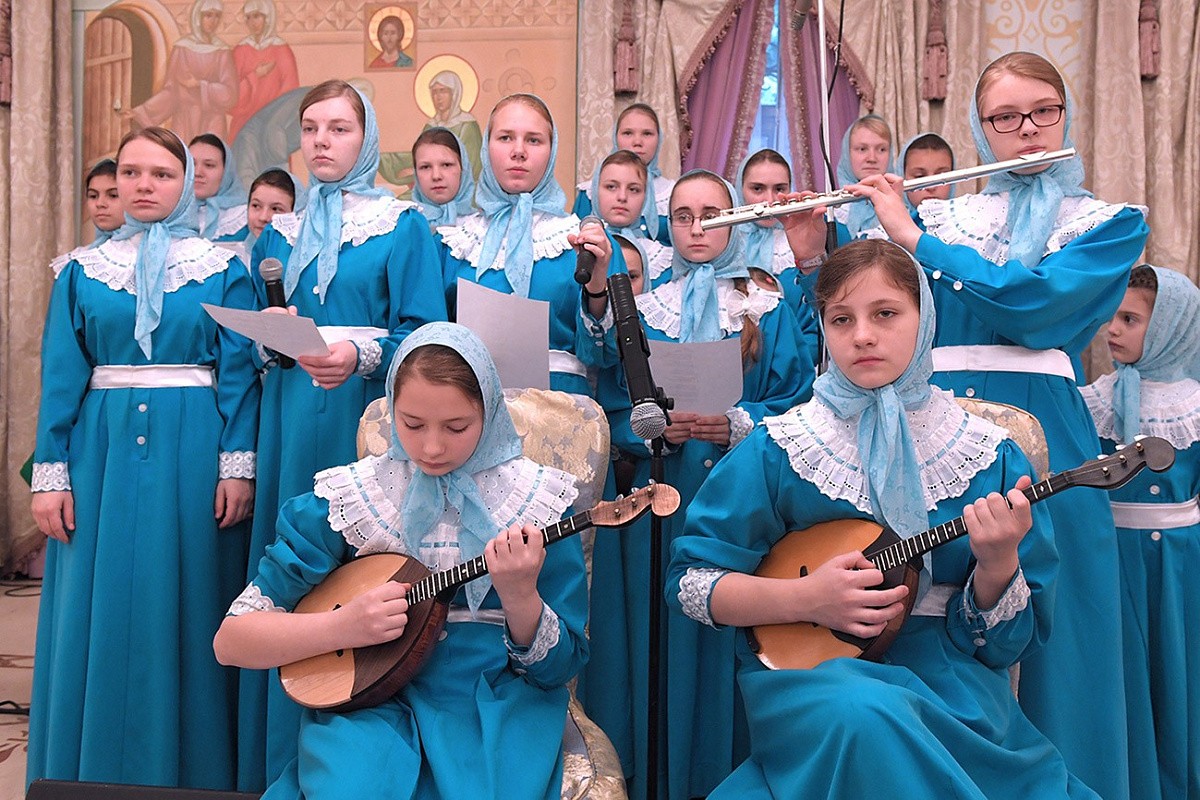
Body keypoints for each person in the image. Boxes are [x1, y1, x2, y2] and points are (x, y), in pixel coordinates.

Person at [816, 51, 1150, 800]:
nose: (1027, 130)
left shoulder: (1110, 224)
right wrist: (827, 241)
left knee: (1058, 622)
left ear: (1065, 115)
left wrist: (914, 241)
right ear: (980, 128)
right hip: (928, 429)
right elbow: (872, 317)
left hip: (1049, 433)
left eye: (1043, 112)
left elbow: (1037, 308)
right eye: (1004, 118)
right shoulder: (940, 216)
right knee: (931, 613)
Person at [667, 238, 1097, 798]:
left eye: (886, 313)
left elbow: (1006, 648)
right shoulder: (782, 447)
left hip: (954, 691)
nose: (862, 335)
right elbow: (692, 584)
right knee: (860, 713)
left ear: (926, 320)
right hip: (813, 683)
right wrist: (805, 599)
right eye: (841, 319)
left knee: (878, 718)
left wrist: (996, 564)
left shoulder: (989, 455)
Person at [214, 322, 589, 800]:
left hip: (492, 707)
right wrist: (343, 627)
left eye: (456, 427)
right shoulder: (350, 499)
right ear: (391, 407)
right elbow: (232, 642)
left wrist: (520, 598)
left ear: (490, 412)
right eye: (411, 424)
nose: (432, 447)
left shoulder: (537, 502)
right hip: (370, 704)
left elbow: (557, 670)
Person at [27, 126, 260, 791]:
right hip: (99, 454)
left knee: (189, 596)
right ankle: (87, 775)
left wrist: (237, 465)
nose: (144, 186)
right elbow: (62, 376)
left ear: (185, 182)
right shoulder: (80, 271)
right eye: (131, 173)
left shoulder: (222, 268)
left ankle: (193, 775)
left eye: (161, 174)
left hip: (195, 451)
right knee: (95, 608)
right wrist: (50, 476)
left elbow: (239, 375)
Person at [240, 78, 446, 792]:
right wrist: (270, 340)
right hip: (292, 411)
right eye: (312, 129)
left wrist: (361, 355)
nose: (322, 141)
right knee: (291, 567)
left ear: (368, 139)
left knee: (361, 564)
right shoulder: (278, 232)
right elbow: (249, 341)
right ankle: (280, 758)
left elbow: (426, 332)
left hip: (369, 411)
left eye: (339, 128)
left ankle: (359, 744)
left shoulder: (403, 225)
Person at [584, 169, 814, 800]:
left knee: (730, 637)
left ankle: (730, 779)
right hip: (659, 498)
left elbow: (800, 404)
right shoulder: (645, 310)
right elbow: (610, 409)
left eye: (712, 215)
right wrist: (653, 428)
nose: (697, 228)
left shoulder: (766, 308)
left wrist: (737, 423)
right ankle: (656, 778)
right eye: (683, 217)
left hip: (745, 500)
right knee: (657, 638)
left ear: (735, 220)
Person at [1081, 265, 1200, 800]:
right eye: (1112, 316)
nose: (1113, 329)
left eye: (1130, 319)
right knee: (1122, 671)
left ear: (1171, 326)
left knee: (1178, 668)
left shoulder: (1193, 406)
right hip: (1111, 557)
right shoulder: (1094, 400)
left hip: (1180, 564)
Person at [438, 93, 617, 397]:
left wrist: (597, 288)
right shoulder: (452, 243)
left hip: (560, 405)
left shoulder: (587, 242)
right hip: (470, 402)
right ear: (486, 147)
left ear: (552, 150)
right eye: (505, 137)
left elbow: (604, 356)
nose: (518, 151)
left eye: (534, 140)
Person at [125, 0, 238, 142]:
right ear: (198, 17)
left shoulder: (223, 51)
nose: (213, 21)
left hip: (212, 120)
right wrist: (142, 111)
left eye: (217, 16)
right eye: (208, 15)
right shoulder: (182, 49)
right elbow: (171, 91)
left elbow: (230, 94)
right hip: (185, 120)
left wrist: (200, 84)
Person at [574, 103, 673, 246]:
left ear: (659, 138)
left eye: (647, 133)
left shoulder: (672, 194)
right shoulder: (589, 193)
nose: (637, 142)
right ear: (615, 137)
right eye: (628, 133)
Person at [592, 149, 672, 289]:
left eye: (633, 189)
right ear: (595, 190)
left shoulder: (663, 262)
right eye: (611, 187)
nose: (622, 197)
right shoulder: (576, 251)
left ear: (646, 196)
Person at [230, 0, 299, 141]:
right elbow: (232, 94)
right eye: (248, 17)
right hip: (243, 125)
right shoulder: (240, 50)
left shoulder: (282, 50)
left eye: (256, 16)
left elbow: (290, 92)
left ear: (267, 18)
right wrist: (255, 76)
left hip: (271, 125)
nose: (252, 22)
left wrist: (272, 118)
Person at [831, 114, 894, 242]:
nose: (872, 158)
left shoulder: (904, 207)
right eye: (862, 149)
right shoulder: (834, 211)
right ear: (847, 154)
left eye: (881, 149)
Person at [411, 126, 475, 231]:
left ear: (463, 169)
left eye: (446, 165)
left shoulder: (484, 227)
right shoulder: (402, 226)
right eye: (425, 167)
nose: (436, 176)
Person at [191, 133, 249, 242]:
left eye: (209, 165)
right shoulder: (171, 215)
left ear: (226, 172)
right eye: (191, 164)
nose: (197, 172)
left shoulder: (244, 218)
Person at [899, 132, 955, 222]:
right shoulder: (885, 227)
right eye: (919, 176)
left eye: (942, 177)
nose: (931, 187)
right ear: (902, 176)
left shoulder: (969, 226)